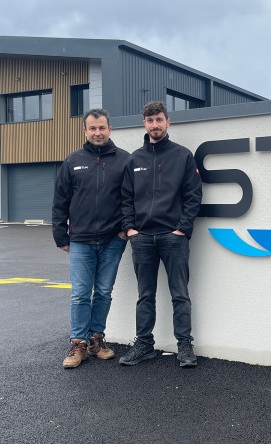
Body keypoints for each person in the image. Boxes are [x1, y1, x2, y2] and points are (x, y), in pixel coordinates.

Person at [118, 101, 202, 368]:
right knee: (145, 295)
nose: (155, 124)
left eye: (159, 119)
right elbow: (125, 198)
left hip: (173, 237)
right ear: (144, 123)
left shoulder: (182, 156)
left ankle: (184, 346)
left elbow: (193, 195)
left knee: (180, 294)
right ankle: (144, 344)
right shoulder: (135, 159)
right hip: (142, 238)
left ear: (168, 122)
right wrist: (131, 229)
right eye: (150, 120)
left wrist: (182, 229)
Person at [52, 108, 129, 369]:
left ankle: (97, 339)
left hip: (112, 239)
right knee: (81, 294)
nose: (98, 132)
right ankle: (78, 343)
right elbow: (60, 201)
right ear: (85, 131)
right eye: (93, 128)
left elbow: (134, 199)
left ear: (110, 129)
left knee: (104, 292)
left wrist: (124, 230)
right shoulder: (72, 161)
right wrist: (61, 235)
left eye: (102, 127)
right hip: (81, 240)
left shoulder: (124, 160)